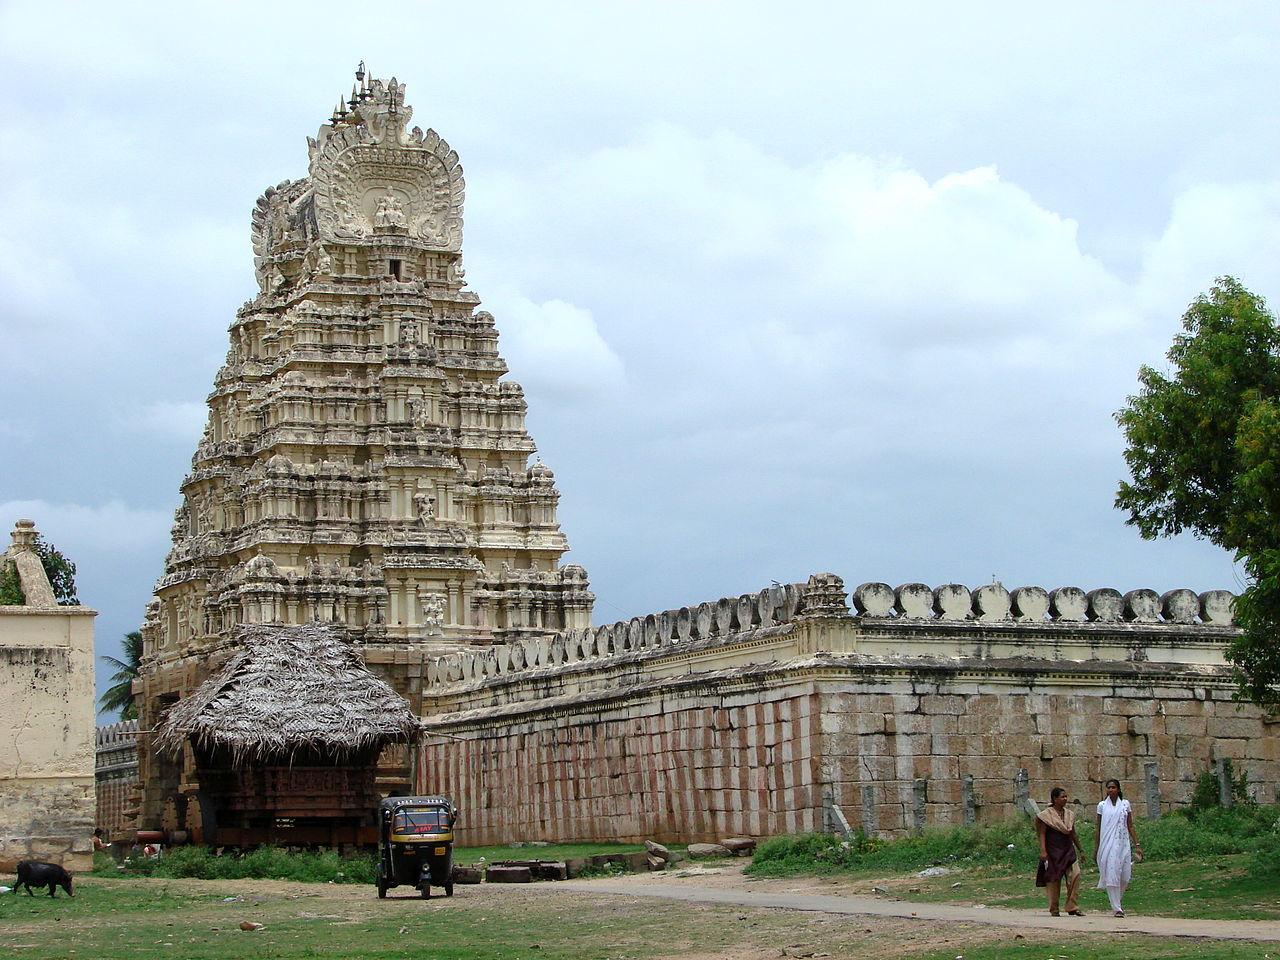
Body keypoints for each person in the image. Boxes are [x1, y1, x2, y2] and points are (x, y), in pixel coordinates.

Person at [1095, 777, 1142, 917]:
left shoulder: (1125, 805)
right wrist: (1096, 847)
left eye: (1113, 787)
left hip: (1123, 843)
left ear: (1118, 789)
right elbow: (1098, 827)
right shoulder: (1102, 806)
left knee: (1125, 877)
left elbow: (1130, 825)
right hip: (1108, 845)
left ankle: (1117, 902)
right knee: (1112, 874)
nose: (1111, 790)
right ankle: (1117, 908)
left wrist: (1137, 844)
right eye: (1108, 787)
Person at [1036, 786, 1085, 916]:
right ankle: (1054, 908)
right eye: (1062, 797)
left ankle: (1072, 906)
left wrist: (1081, 850)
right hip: (1053, 851)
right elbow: (1041, 833)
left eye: (1066, 796)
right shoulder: (1046, 816)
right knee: (1053, 879)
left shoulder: (1069, 815)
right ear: (1055, 799)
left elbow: (1073, 833)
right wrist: (1043, 851)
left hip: (1068, 849)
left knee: (1075, 874)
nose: (1065, 799)